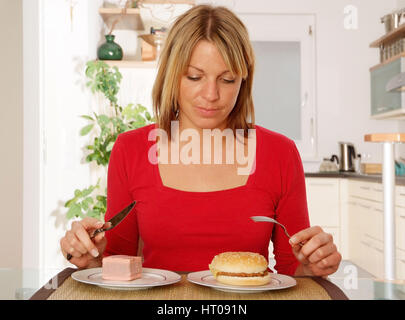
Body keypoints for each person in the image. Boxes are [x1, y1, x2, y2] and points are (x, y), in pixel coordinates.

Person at [60, 4, 341, 276]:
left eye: (227, 79)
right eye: (195, 77)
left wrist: (313, 265)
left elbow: (293, 269)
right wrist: (88, 259)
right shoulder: (130, 149)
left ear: (244, 80)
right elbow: (118, 262)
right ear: (172, 74)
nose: (211, 94)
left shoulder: (280, 153)